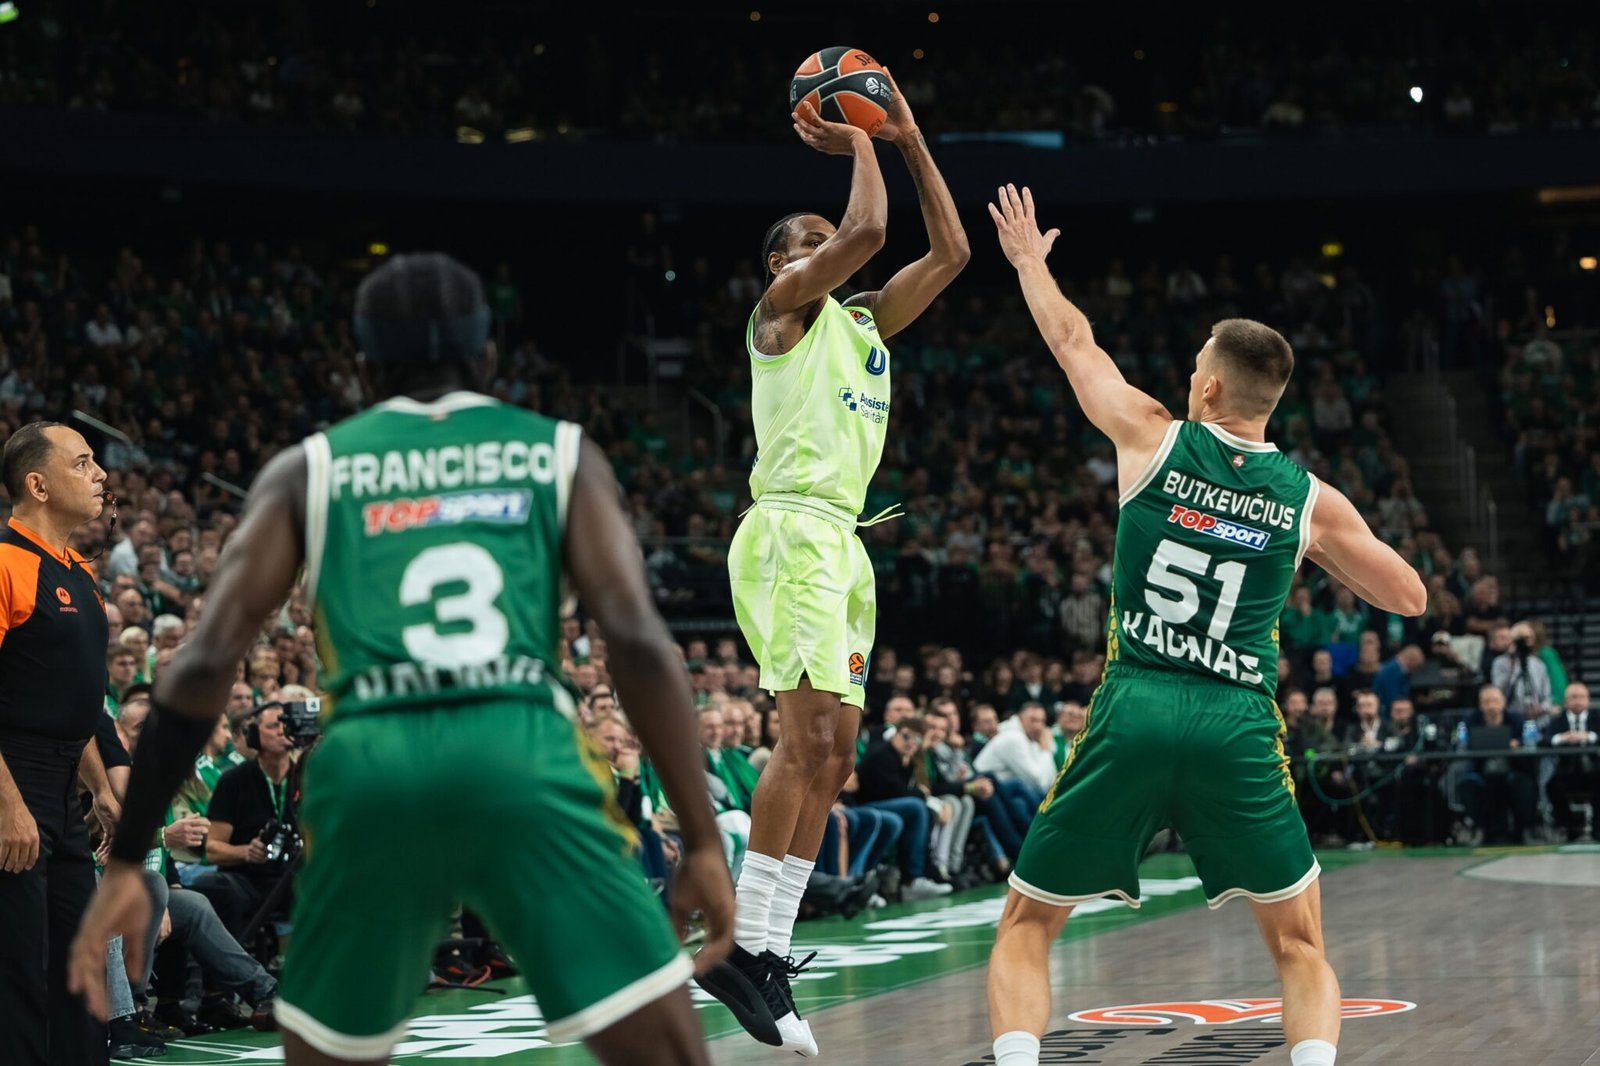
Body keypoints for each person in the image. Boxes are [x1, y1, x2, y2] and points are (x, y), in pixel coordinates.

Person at [68, 253, 734, 1066]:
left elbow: (200, 668)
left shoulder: (307, 471)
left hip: (371, 769)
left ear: (362, 369)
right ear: (488, 359)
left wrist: (132, 858)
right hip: (521, 750)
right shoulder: (558, 454)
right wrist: (701, 842)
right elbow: (637, 644)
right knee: (665, 1051)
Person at [982, 185, 1427, 1066]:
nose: (1187, 377)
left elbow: (1074, 342)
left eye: (1193, 366)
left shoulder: (1151, 436)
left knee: (1029, 921)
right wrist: (1314, 550)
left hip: (1137, 701)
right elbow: (1409, 596)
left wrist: (1031, 261)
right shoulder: (1310, 500)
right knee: (1300, 948)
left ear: (1210, 385)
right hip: (1237, 720)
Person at [705, 69, 969, 1057]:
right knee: (802, 736)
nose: (824, 248)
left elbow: (949, 249)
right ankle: (739, 942)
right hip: (789, 531)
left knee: (839, 755)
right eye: (803, 242)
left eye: (823, 239)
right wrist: (857, 130)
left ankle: (764, 952)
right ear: (780, 265)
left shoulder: (863, 326)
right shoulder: (780, 313)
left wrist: (905, 136)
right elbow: (864, 236)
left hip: (842, 543)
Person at [0, 421, 123, 1066]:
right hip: (10, 781)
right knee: (20, 971)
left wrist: (100, 787)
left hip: (63, 789)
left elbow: (67, 698)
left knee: (81, 965)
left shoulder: (79, 572)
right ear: (38, 484)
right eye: (83, 463)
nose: (100, 474)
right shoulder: (2, 561)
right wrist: (7, 804)